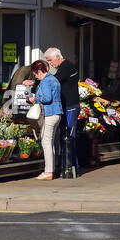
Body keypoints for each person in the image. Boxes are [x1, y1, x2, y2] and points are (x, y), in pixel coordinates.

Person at [45, 47, 79, 177]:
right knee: (63, 137)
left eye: (50, 60)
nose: (50, 63)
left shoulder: (66, 66)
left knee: (68, 136)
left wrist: (39, 80)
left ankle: (70, 168)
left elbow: (54, 81)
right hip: (65, 106)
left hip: (70, 106)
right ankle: (65, 167)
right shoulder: (62, 67)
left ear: (58, 57)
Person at [27, 60, 61, 180]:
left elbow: (47, 98)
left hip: (50, 113)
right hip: (57, 112)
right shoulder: (54, 79)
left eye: (36, 74)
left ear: (40, 71)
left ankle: (48, 171)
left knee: (45, 142)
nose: (36, 76)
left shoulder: (45, 82)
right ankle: (52, 168)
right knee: (50, 142)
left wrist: (34, 99)